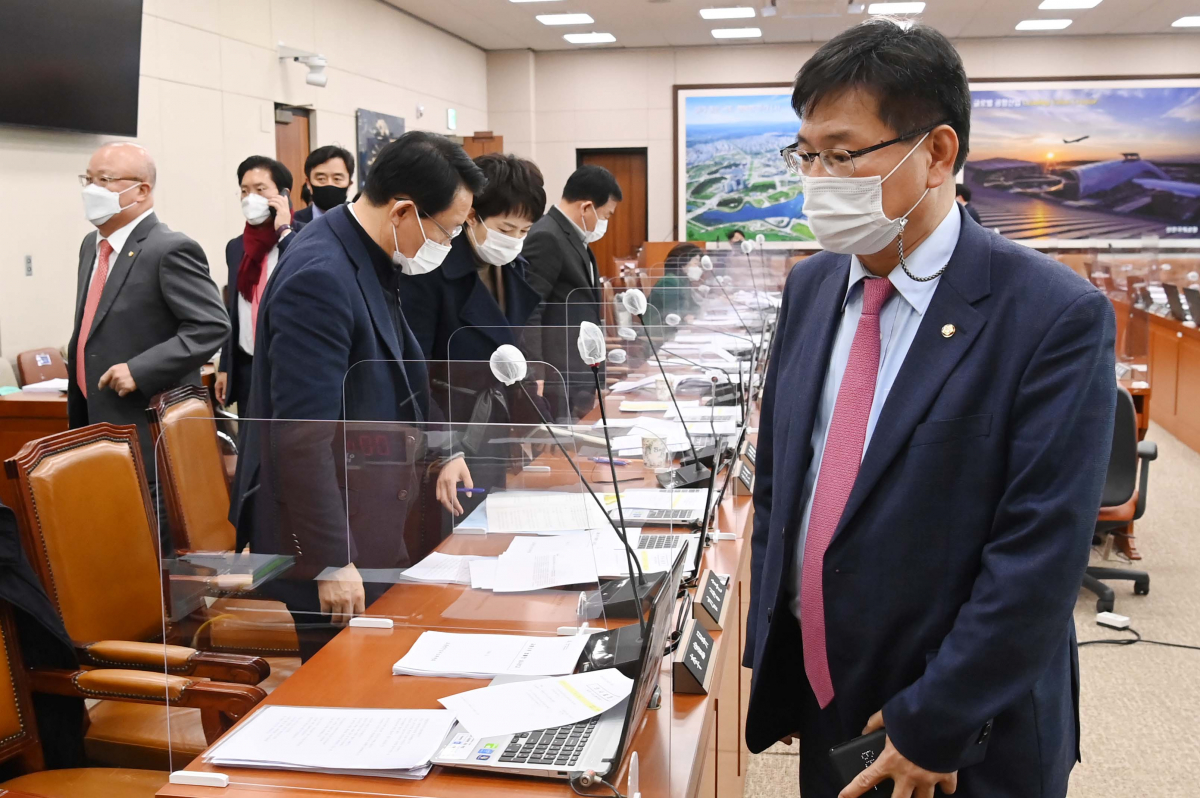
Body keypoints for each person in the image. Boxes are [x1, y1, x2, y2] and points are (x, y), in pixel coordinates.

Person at [745, 20, 1115, 798]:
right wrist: (784, 655)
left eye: (842, 154)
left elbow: (1040, 555)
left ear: (937, 153)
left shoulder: (1051, 314)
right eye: (805, 155)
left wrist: (935, 721)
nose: (816, 179)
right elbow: (784, 483)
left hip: (960, 733)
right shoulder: (812, 286)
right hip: (824, 693)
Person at [230, 131, 483, 661]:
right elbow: (301, 437)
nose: (450, 243)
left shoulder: (365, 251)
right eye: (448, 230)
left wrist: (445, 446)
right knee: (345, 682)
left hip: (368, 511)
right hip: (326, 537)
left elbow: (405, 364)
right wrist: (331, 559)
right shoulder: (321, 275)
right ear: (404, 211)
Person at [68, 142, 230, 553]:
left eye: (105, 180)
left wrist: (140, 369)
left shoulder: (169, 248)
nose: (92, 189)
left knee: (151, 552)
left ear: (141, 190)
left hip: (147, 429)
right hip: (97, 425)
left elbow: (211, 325)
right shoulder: (92, 245)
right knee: (111, 548)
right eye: (88, 179)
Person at [399, 152, 547, 515]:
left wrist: (536, 419)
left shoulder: (514, 268)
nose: (514, 241)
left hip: (495, 427)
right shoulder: (431, 269)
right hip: (447, 428)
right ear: (470, 215)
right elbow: (410, 368)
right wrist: (444, 448)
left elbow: (513, 350)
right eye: (505, 230)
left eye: (525, 231)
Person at [523, 165, 622, 421]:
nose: (605, 223)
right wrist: (537, 371)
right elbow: (530, 309)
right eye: (606, 215)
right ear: (587, 207)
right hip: (557, 375)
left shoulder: (575, 238)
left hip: (577, 373)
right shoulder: (547, 236)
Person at [215, 156, 297, 412]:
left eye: (260, 190)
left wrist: (284, 230)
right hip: (248, 367)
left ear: (283, 195)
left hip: (290, 367)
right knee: (250, 436)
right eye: (244, 190)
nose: (250, 198)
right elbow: (233, 311)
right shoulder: (236, 247)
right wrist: (226, 367)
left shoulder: (303, 238)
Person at [293, 144, 355, 226]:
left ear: (349, 184)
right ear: (308, 183)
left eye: (337, 179)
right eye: (321, 179)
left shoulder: (361, 221)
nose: (329, 184)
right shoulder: (293, 222)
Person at [648, 242, 702, 320]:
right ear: (683, 261)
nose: (698, 267)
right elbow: (673, 313)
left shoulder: (684, 280)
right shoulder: (669, 281)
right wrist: (689, 317)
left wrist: (695, 314)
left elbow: (693, 306)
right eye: (696, 263)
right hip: (662, 326)